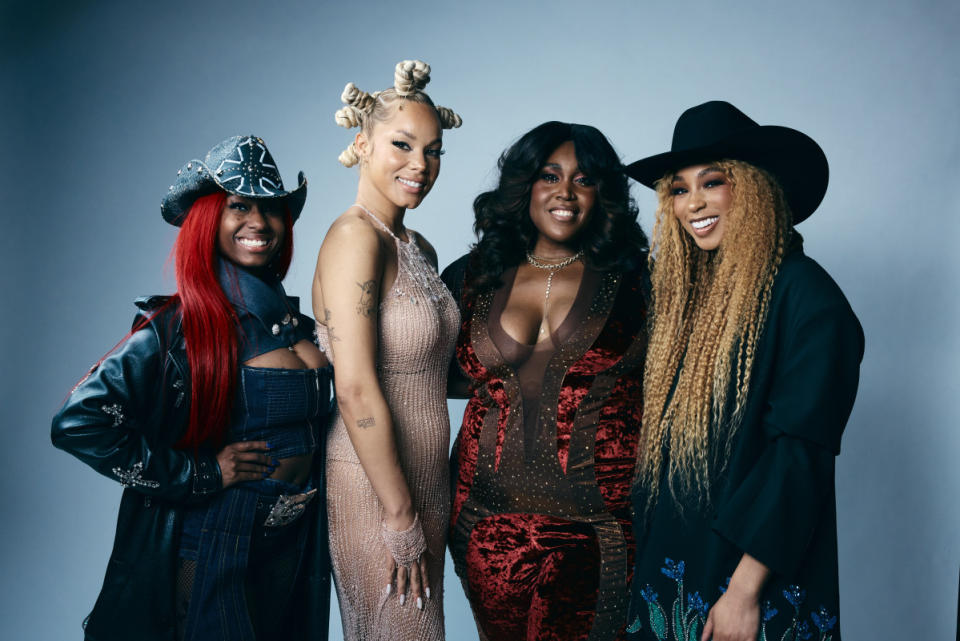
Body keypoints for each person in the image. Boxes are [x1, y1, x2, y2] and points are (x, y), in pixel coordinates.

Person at [51, 135, 331, 641]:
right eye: (238, 206)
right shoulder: (180, 326)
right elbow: (78, 422)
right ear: (207, 220)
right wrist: (198, 474)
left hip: (293, 537)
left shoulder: (297, 322)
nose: (259, 223)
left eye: (270, 208)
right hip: (217, 536)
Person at [622, 101, 864, 641]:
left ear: (754, 188)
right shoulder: (690, 297)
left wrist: (744, 592)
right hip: (675, 566)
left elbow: (799, 457)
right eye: (679, 190)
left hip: (751, 579)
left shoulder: (810, 299)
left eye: (711, 183)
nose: (693, 204)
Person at [440, 121, 650, 640]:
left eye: (584, 180)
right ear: (524, 186)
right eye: (548, 176)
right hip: (482, 526)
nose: (565, 193)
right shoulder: (471, 274)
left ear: (603, 193)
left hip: (600, 530)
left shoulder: (640, 281)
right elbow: (430, 379)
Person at [312, 60, 462, 641]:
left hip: (425, 483)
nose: (420, 165)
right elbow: (353, 385)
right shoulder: (355, 236)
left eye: (434, 150)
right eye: (402, 144)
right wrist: (400, 516)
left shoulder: (414, 242)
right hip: (378, 488)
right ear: (362, 142)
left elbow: (427, 372)